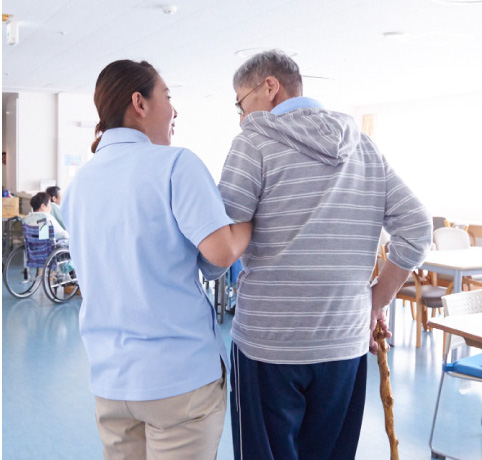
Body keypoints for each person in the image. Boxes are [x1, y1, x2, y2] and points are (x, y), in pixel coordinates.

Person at [218, 50, 433, 460]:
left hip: (270, 342)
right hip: (343, 341)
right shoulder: (364, 147)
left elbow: (223, 241)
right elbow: (418, 227)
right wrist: (375, 301)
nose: (241, 117)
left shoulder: (253, 141)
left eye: (240, 103)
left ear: (270, 87)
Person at [61, 59, 252, 460]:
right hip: (178, 380)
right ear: (139, 103)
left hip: (111, 380)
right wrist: (251, 215)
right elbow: (220, 254)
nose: (174, 109)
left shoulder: (79, 185)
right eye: (167, 96)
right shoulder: (175, 164)